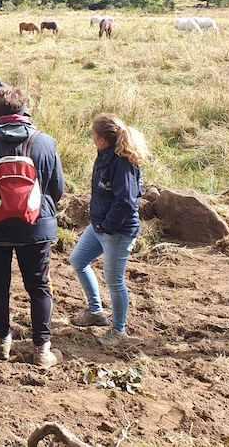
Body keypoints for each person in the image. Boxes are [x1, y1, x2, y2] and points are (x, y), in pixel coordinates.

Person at [0, 86, 64, 368]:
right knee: (39, 287)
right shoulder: (45, 143)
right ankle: (42, 350)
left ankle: (2, 344)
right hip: (36, 229)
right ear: (24, 110)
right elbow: (57, 189)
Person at [69, 114, 150, 348]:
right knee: (78, 260)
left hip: (118, 231)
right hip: (99, 226)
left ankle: (119, 330)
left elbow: (126, 201)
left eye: (94, 135)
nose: (92, 138)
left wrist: (107, 225)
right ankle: (95, 311)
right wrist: (99, 223)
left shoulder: (122, 162)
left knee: (114, 281)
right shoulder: (104, 155)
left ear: (103, 139)